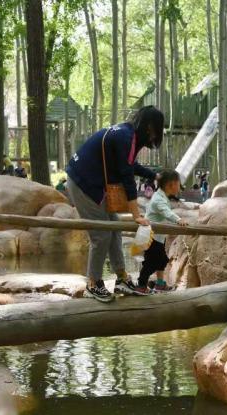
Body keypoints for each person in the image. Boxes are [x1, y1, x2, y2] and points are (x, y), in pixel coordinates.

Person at [66, 105, 165, 302]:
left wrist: (154, 175)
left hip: (94, 183)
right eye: (157, 130)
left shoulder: (128, 134)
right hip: (83, 183)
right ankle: (93, 284)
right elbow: (127, 178)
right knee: (101, 235)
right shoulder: (125, 137)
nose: (156, 136)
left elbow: (129, 165)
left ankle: (122, 279)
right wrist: (136, 215)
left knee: (115, 229)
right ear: (150, 127)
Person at [136, 170, 187, 294]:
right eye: (178, 184)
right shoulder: (158, 199)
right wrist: (178, 220)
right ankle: (141, 286)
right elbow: (166, 212)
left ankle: (159, 284)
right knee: (151, 263)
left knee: (161, 260)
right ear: (171, 184)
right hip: (151, 237)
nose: (179, 187)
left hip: (157, 237)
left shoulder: (161, 196)